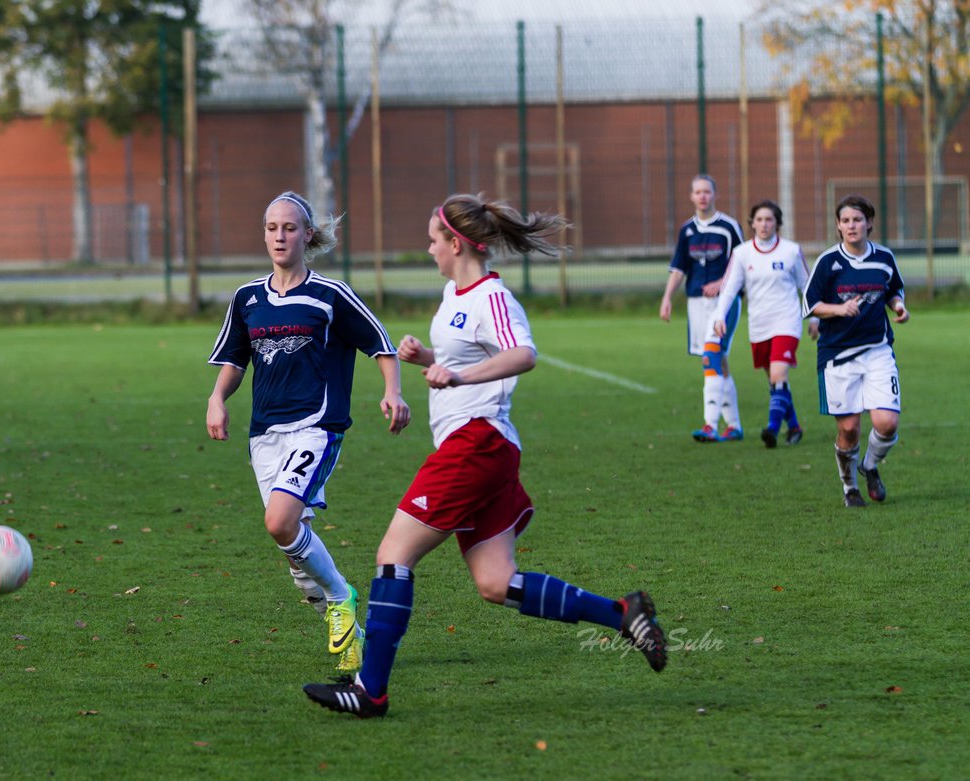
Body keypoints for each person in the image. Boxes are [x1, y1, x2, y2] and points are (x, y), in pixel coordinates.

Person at [303, 193, 666, 719]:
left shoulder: (491, 296)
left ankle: (370, 689)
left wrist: (459, 375)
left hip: (476, 444)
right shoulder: (455, 293)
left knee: (392, 556)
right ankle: (623, 613)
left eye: (433, 240)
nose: (429, 249)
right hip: (481, 450)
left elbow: (523, 354)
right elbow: (460, 358)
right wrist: (427, 359)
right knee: (496, 583)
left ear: (456, 242)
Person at [206, 190, 410, 674]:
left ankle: (342, 597)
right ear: (264, 235)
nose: (281, 236)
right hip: (264, 435)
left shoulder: (330, 295)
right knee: (295, 553)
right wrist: (217, 398)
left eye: (290, 228)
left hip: (316, 427)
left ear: (308, 235)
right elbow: (235, 358)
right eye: (272, 228)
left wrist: (393, 392)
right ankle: (352, 636)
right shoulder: (247, 298)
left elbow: (381, 344)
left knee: (279, 522)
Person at [802, 194, 908, 508]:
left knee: (887, 423)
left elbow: (893, 290)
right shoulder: (828, 262)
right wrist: (838, 308)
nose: (852, 226)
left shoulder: (884, 258)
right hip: (837, 355)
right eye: (846, 221)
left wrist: (899, 306)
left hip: (877, 351)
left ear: (869, 224)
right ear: (838, 226)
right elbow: (810, 305)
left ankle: (869, 466)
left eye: (858, 220)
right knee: (849, 429)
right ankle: (850, 487)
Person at [710, 200, 819, 449]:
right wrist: (719, 316)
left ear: (777, 223)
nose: (764, 224)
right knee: (774, 380)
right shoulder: (742, 253)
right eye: (759, 219)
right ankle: (794, 426)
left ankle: (771, 428)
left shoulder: (791, 251)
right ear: (752, 224)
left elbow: (808, 286)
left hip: (787, 320)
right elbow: (729, 288)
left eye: (769, 219)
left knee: (780, 374)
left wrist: (815, 317)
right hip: (759, 323)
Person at [660, 175, 745, 442]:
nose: (702, 196)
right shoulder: (687, 230)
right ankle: (735, 426)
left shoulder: (729, 227)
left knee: (711, 357)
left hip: (724, 303)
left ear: (715, 194)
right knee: (719, 361)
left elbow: (743, 265)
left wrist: (722, 283)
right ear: (691, 196)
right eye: (697, 192)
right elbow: (679, 268)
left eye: (707, 191)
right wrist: (667, 297)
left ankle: (710, 425)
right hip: (696, 303)